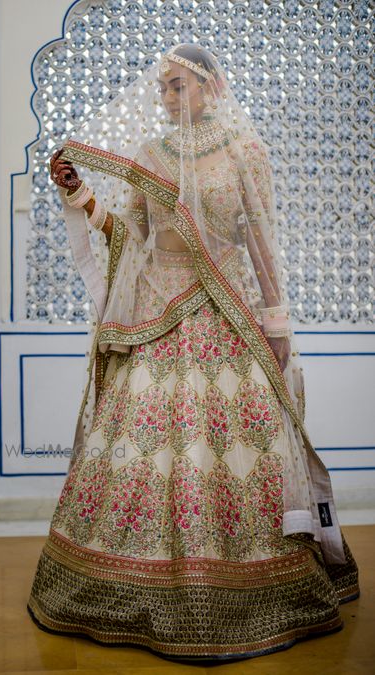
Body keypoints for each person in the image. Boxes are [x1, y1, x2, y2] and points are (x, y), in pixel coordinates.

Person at [27, 43, 359, 661]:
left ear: (213, 85)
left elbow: (260, 240)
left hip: (224, 308)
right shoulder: (151, 154)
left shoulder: (244, 154)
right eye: (164, 87)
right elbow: (130, 235)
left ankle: (259, 578)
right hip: (158, 309)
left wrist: (277, 320)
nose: (169, 97)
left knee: (234, 444)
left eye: (180, 85)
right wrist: (80, 197)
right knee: (144, 440)